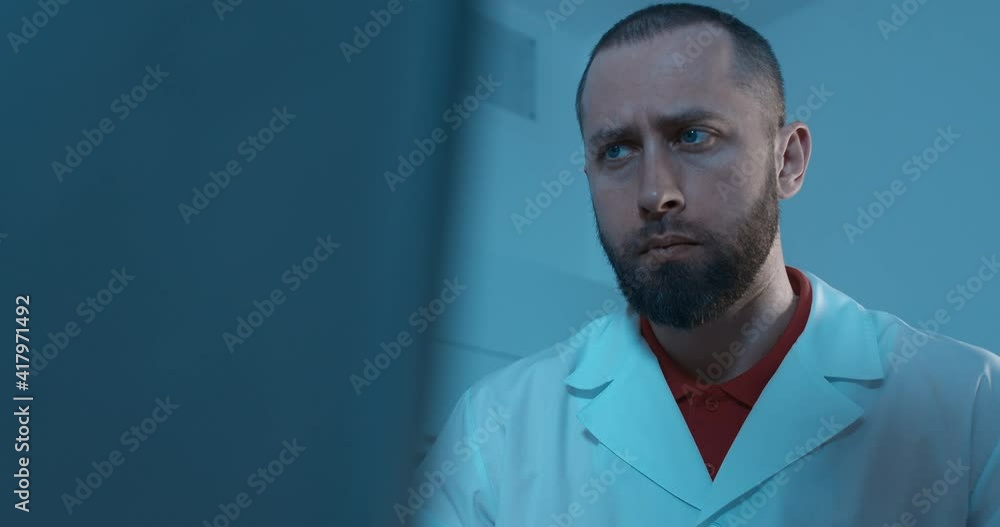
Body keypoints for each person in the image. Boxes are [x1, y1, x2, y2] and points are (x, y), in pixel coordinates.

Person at [403, 3, 1000, 526]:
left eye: (693, 136)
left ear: (787, 161)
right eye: (617, 150)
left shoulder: (972, 407)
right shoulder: (496, 429)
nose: (654, 192)